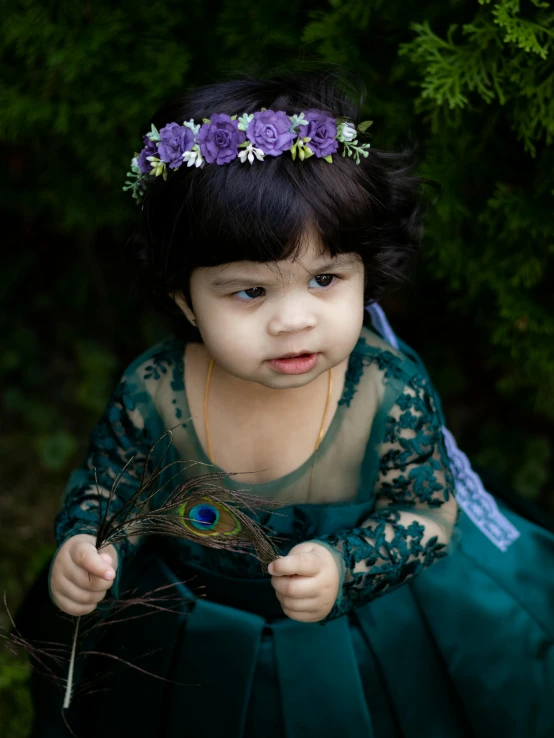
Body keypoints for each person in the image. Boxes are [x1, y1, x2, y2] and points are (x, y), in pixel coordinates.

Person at [17, 70, 554, 738]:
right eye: (249, 293)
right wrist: (91, 545)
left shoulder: (388, 389)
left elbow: (425, 509)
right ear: (185, 299)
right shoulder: (156, 388)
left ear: (366, 271)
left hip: (364, 628)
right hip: (192, 623)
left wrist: (346, 564)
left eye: (325, 279)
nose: (293, 320)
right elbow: (114, 485)